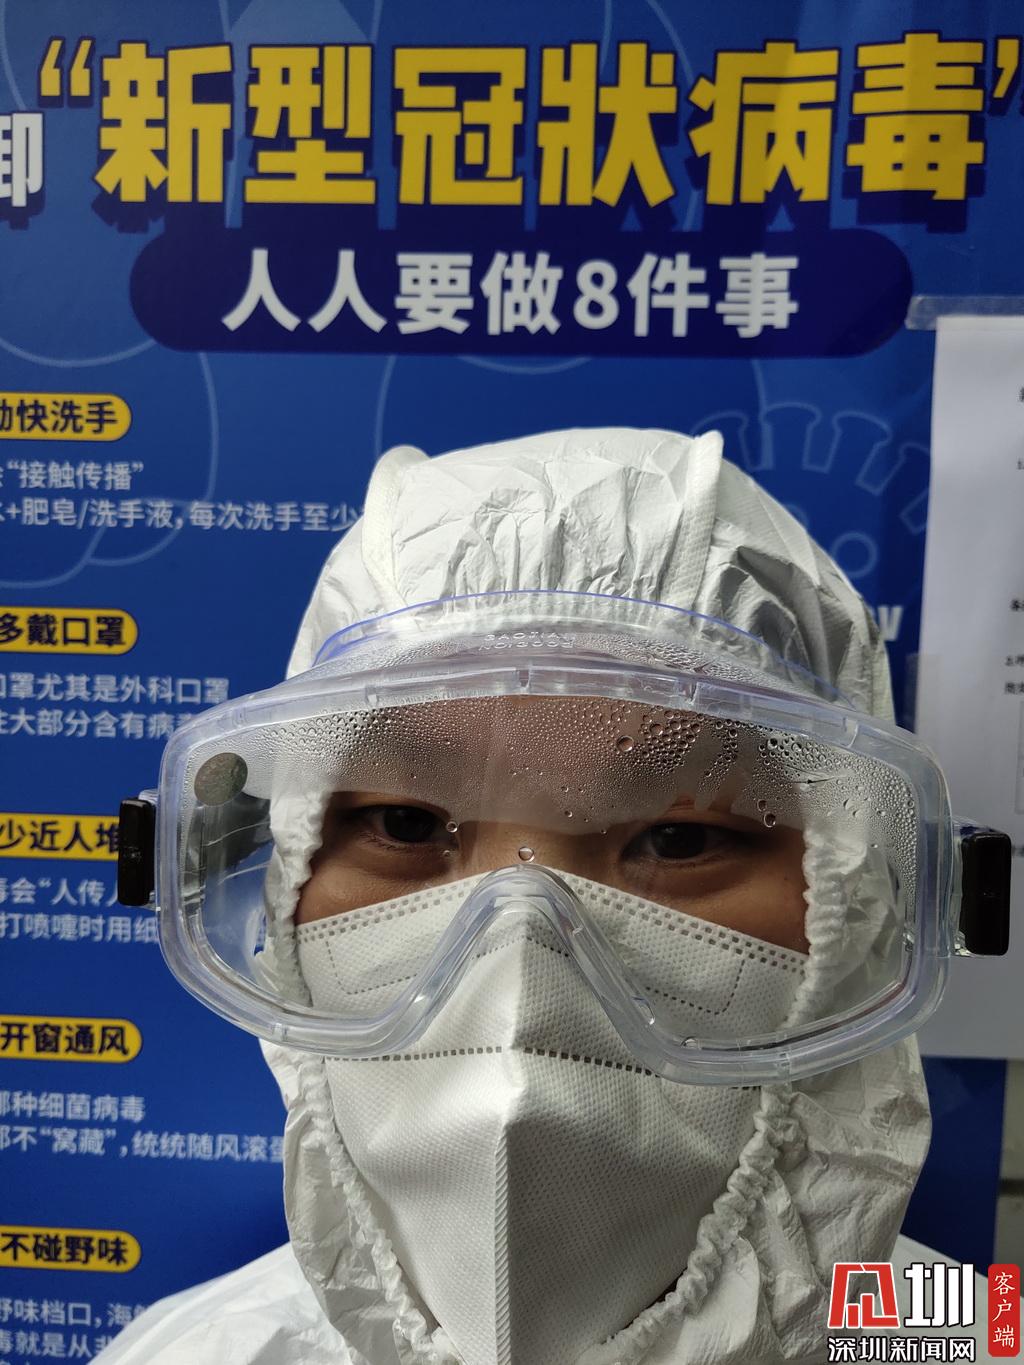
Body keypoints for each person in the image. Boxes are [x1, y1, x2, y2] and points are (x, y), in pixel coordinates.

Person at [101, 428, 999, 1364]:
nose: (520, 977)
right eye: (406, 823)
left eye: (679, 838)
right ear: (283, 878)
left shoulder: (971, 1340)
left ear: (862, 904)